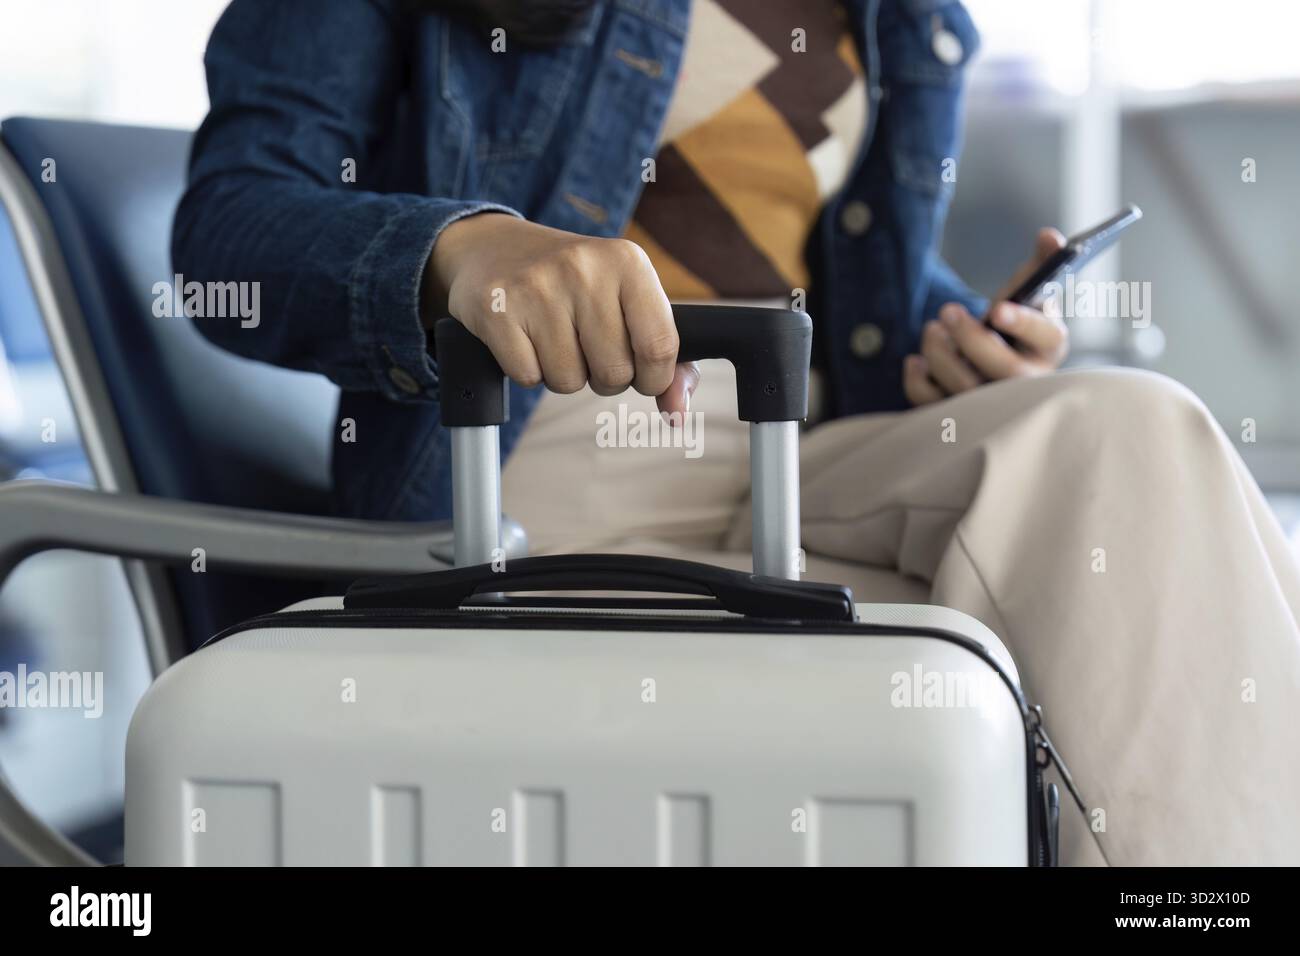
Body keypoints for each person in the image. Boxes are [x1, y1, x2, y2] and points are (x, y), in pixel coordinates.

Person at [174, 0, 1300, 865]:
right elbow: (228, 228)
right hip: (539, 471)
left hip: (798, 453)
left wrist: (952, 340)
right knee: (1132, 566)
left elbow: (816, 264)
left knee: (1130, 436)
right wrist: (463, 251)